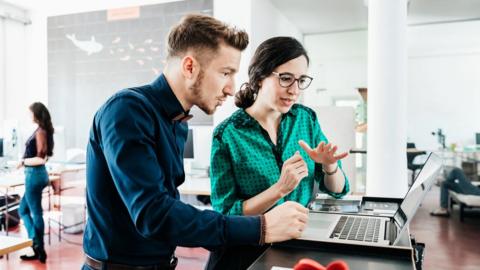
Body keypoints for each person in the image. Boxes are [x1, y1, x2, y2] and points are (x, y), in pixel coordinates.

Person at [82, 14, 309, 270]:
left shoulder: (178, 122)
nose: (231, 89)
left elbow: (170, 209)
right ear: (189, 67)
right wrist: (262, 227)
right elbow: (153, 215)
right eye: (226, 73)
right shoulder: (127, 111)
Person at [207, 36, 350, 269]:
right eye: (285, 79)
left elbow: (338, 190)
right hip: (246, 254)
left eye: (301, 80)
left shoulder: (305, 119)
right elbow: (226, 213)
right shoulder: (228, 135)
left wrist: (329, 166)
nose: (294, 90)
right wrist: (279, 189)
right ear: (260, 76)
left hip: (295, 247)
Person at [17, 102, 54, 263]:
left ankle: (37, 245)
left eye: (30, 113)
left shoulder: (40, 132)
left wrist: (23, 161)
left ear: (36, 114)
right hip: (38, 175)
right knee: (23, 210)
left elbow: (40, 158)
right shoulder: (43, 131)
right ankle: (37, 244)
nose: (29, 115)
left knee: (35, 212)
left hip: (34, 175)